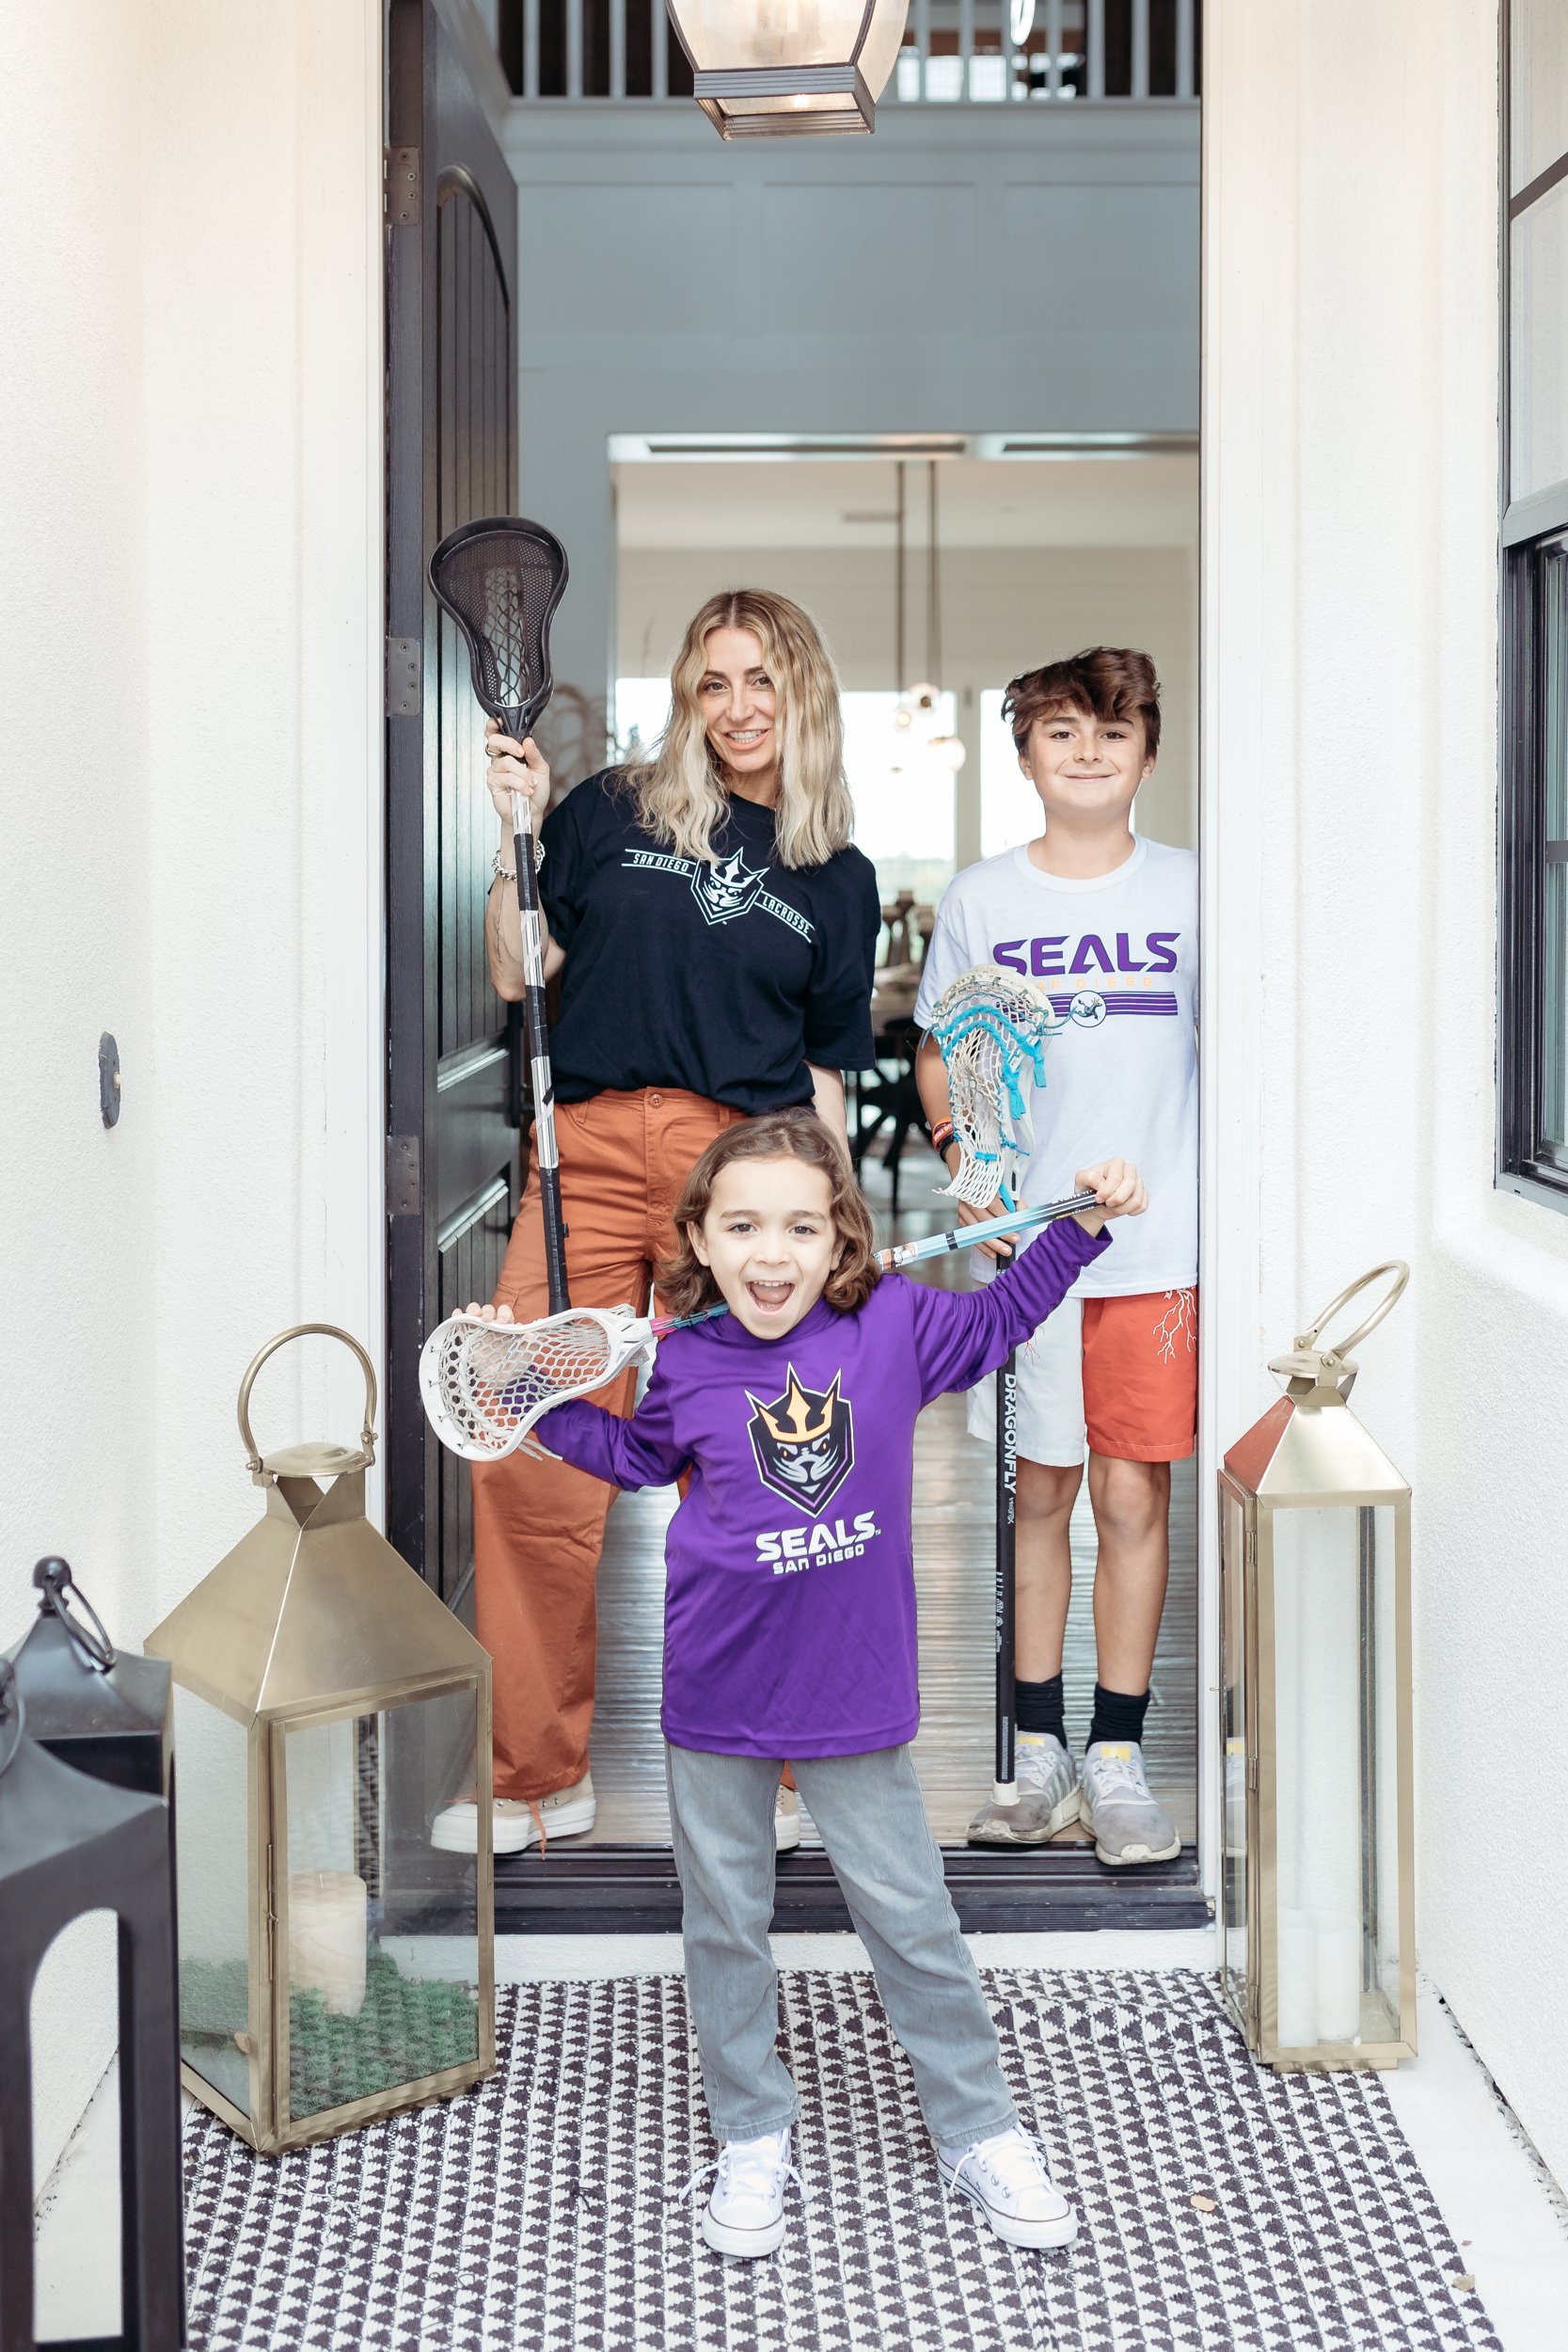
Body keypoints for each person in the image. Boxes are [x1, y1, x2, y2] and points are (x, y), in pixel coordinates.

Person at [470, 1111, 1145, 2255]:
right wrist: (521, 1391)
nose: (768, 1252)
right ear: (699, 1237)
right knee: (723, 1920)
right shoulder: (681, 1357)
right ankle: (748, 2126)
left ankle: (976, 2123)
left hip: (856, 1693)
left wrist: (1077, 1228)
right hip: (715, 1695)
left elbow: (1002, 1317)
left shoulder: (896, 1322)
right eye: (740, 1225)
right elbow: (636, 1461)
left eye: (797, 1224)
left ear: (842, 1239)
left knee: (910, 1916)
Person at [433, 592, 880, 1861]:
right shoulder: (609, 813)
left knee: (763, 1458)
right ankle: (532, 1776)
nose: (737, 708)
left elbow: (830, 1073)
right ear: (688, 696)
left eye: (762, 682)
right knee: (523, 1441)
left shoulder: (833, 879)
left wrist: (829, 1233)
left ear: (801, 696)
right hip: (582, 1157)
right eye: (713, 682)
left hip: (740, 1175)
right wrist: (513, 838)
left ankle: (788, 1777)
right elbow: (520, 973)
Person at [913, 647, 1197, 1867]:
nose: (1086, 752)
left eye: (1111, 731)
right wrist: (961, 1148)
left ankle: (1116, 1756)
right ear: (1023, 753)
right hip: (1030, 1257)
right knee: (1040, 1495)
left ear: (1145, 751)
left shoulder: (1195, 889)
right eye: (1060, 732)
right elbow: (942, 1052)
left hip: (1159, 1251)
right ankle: (1033, 1755)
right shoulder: (982, 899)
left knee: (1134, 1495)